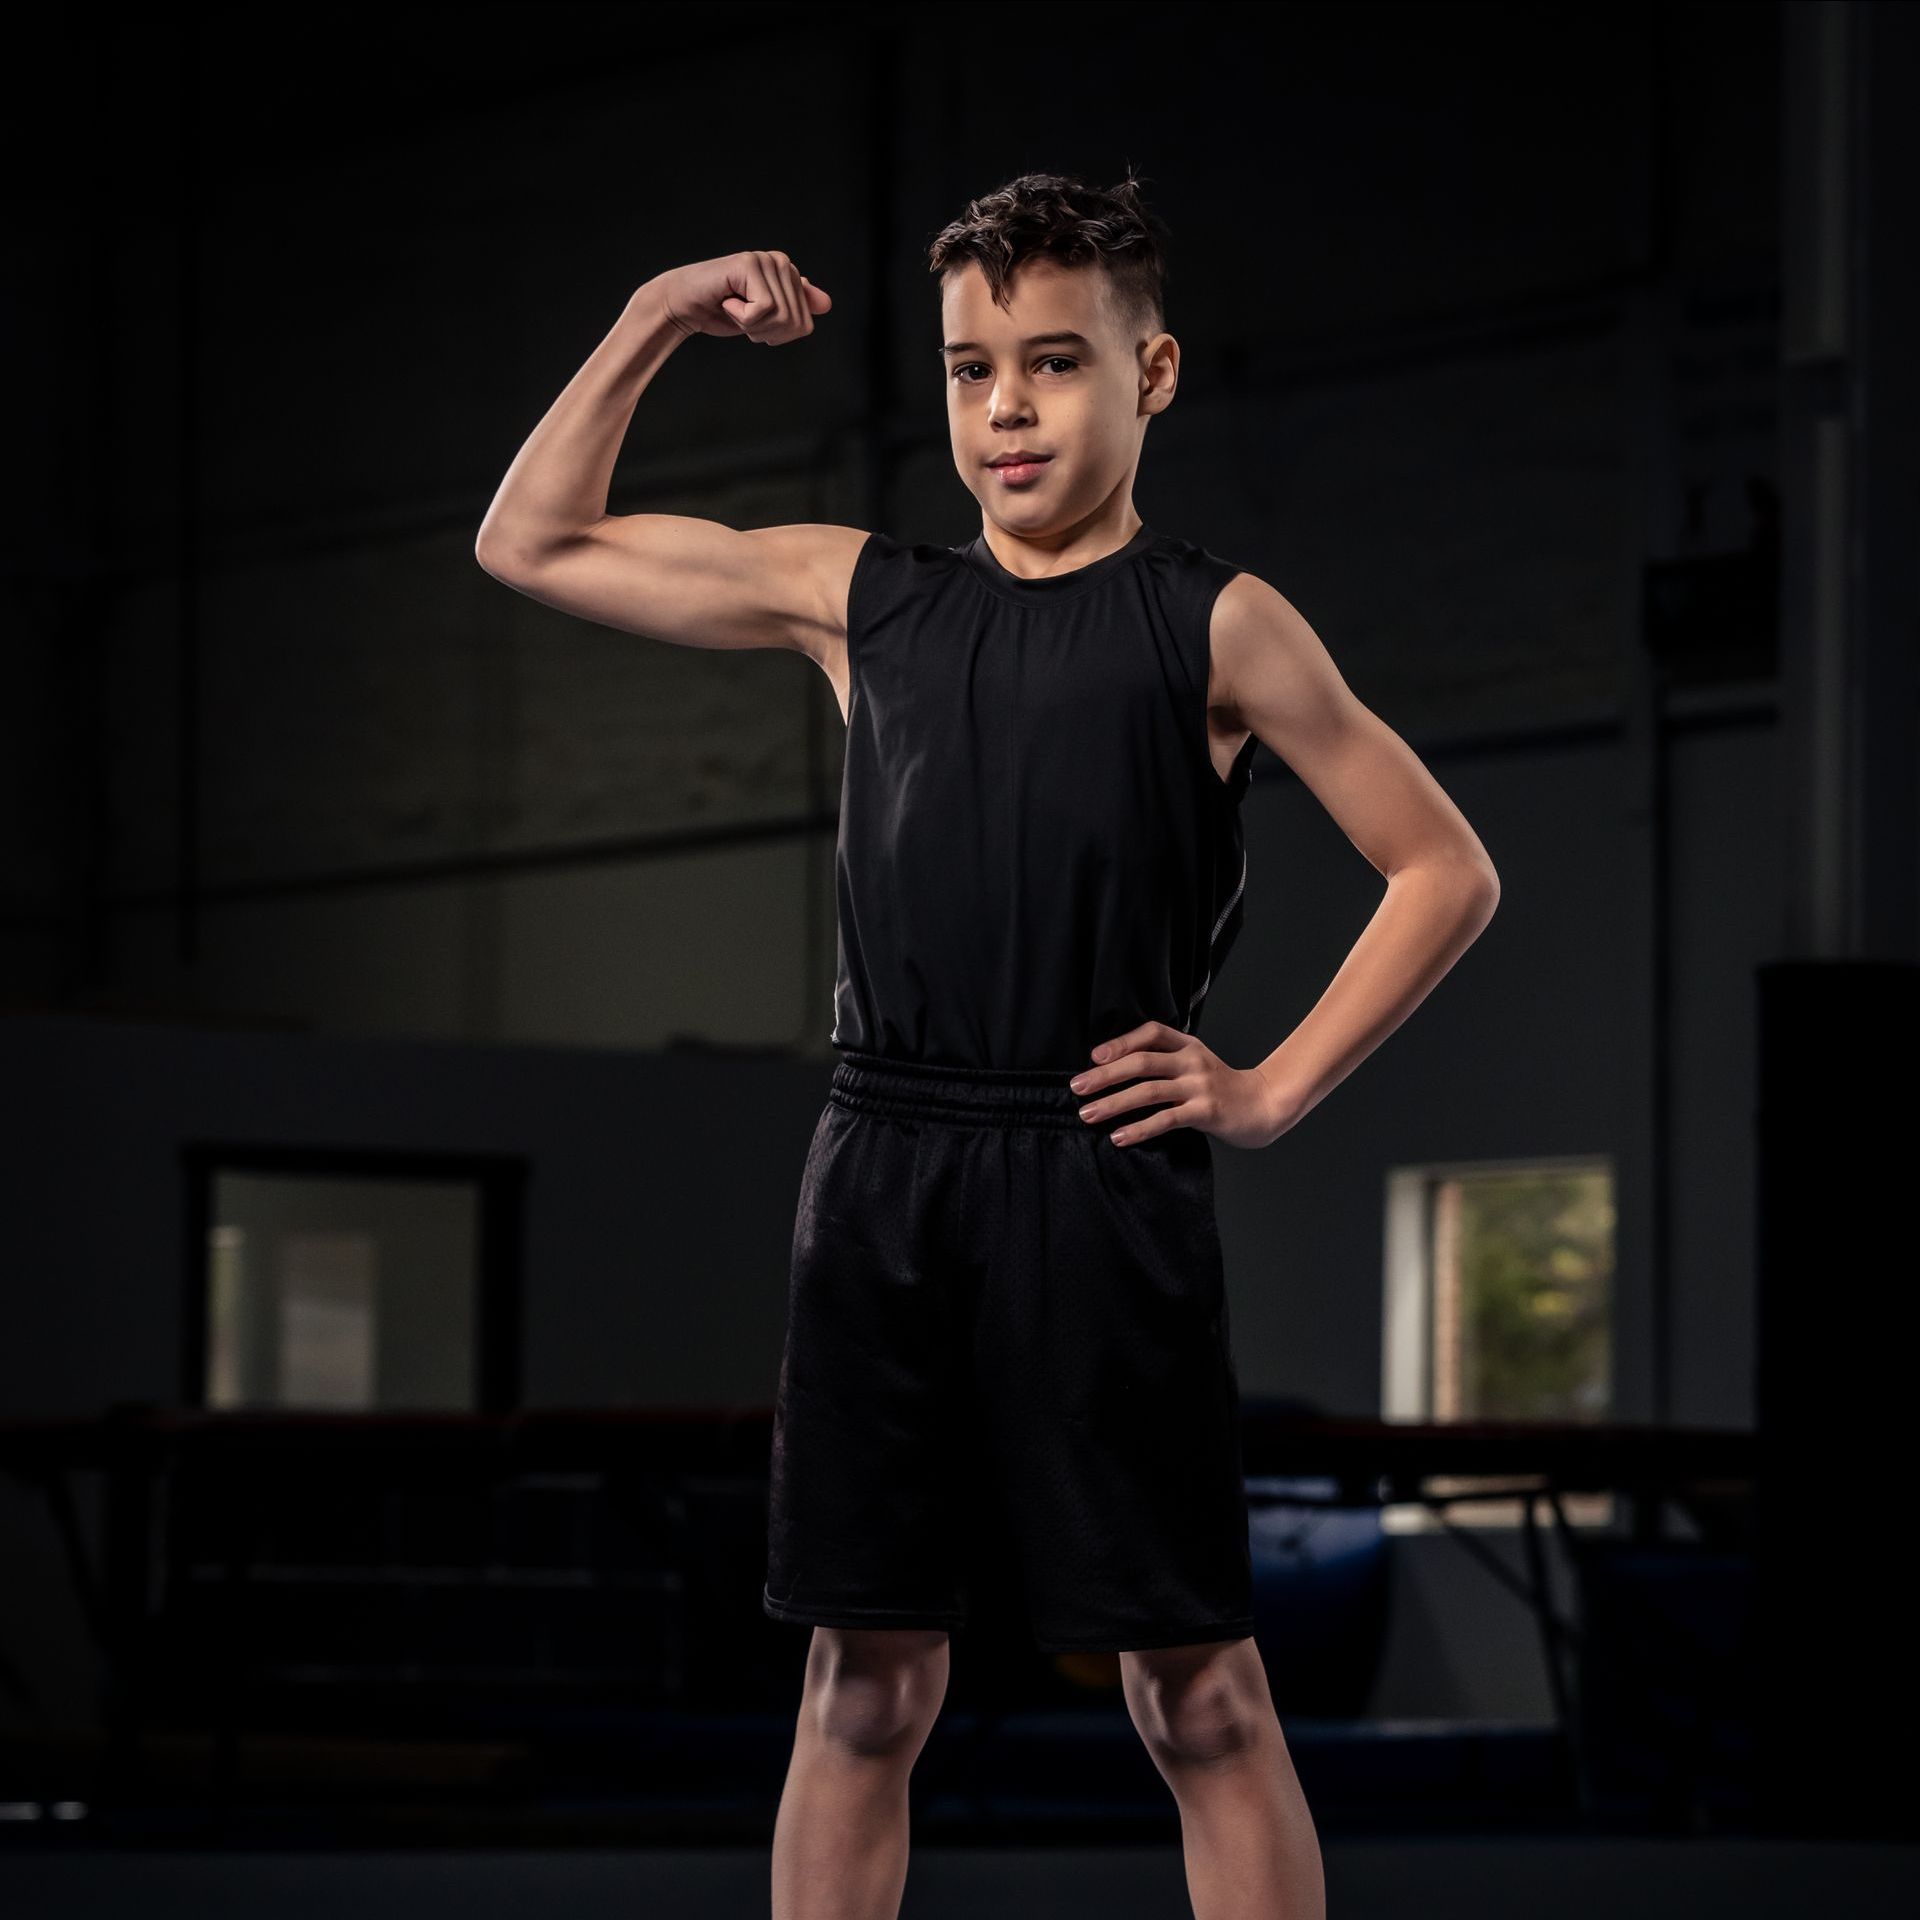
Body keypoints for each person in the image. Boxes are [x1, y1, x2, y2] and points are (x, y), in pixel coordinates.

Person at [477, 168, 1499, 1920]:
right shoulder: (858, 599)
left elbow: (1443, 867)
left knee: (1200, 1696)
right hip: (882, 1175)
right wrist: (656, 313)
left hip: (1098, 1177)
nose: (1006, 408)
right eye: (968, 370)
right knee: (863, 1691)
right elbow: (531, 541)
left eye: (1052, 364)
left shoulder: (1217, 623)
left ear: (1151, 375)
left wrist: (1262, 1089)